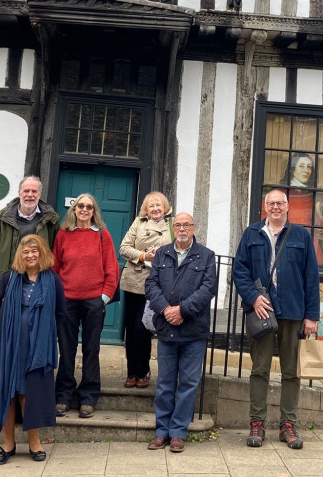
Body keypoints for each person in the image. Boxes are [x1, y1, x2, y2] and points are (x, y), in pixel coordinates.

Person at [232, 188, 319, 450]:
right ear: (265, 206)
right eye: (271, 203)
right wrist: (254, 298)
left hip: (293, 311)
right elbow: (239, 271)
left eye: (280, 203)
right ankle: (257, 424)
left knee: (291, 372)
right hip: (262, 312)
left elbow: (311, 277)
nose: (276, 207)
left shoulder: (301, 235)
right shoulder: (252, 234)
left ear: (288, 207)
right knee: (260, 370)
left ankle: (288, 425)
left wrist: (311, 316)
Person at [0, 234, 66, 464]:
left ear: (42, 253)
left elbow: (61, 315)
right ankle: (8, 443)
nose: (30, 255)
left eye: (34, 251)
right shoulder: (9, 279)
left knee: (30, 395)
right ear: (20, 254)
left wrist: (53, 343)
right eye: (25, 251)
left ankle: (34, 442)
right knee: (8, 394)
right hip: (8, 347)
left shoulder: (53, 280)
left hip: (37, 349)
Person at [143, 212, 216, 453]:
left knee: (188, 383)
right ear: (173, 229)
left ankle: (178, 432)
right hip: (166, 330)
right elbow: (151, 285)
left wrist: (183, 310)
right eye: (178, 225)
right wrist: (165, 309)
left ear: (194, 228)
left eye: (186, 225)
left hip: (193, 331)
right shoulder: (162, 253)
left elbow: (208, 289)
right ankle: (161, 431)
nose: (182, 229)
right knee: (164, 383)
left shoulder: (206, 256)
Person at [52, 193, 119, 419]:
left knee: (91, 350)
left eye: (89, 207)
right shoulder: (63, 235)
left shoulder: (102, 235)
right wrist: (57, 295)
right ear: (73, 209)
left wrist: (104, 297)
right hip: (67, 301)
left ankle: (88, 396)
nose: (84, 210)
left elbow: (112, 268)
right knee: (67, 349)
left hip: (93, 301)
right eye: (80, 206)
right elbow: (55, 267)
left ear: (94, 211)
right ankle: (63, 395)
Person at [0, 176, 60, 303]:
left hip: (37, 283)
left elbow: (56, 253)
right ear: (19, 193)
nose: (30, 195)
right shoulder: (4, 216)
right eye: (26, 191)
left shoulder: (50, 219)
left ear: (39, 194)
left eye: (34, 191)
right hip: (7, 280)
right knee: (2, 320)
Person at [117, 191, 173, 389]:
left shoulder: (172, 225)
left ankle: (143, 370)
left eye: (159, 205)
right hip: (134, 281)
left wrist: (160, 257)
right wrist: (143, 255)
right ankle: (132, 372)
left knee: (143, 328)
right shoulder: (138, 223)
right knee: (130, 329)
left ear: (165, 208)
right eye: (151, 206)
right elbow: (123, 248)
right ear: (146, 209)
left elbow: (179, 250)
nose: (156, 209)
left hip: (157, 283)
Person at [278, 153, 323, 268]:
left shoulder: (316, 198)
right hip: (286, 254)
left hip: (312, 256)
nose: (306, 171)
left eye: (309, 166)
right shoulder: (279, 195)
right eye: (301, 166)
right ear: (292, 169)